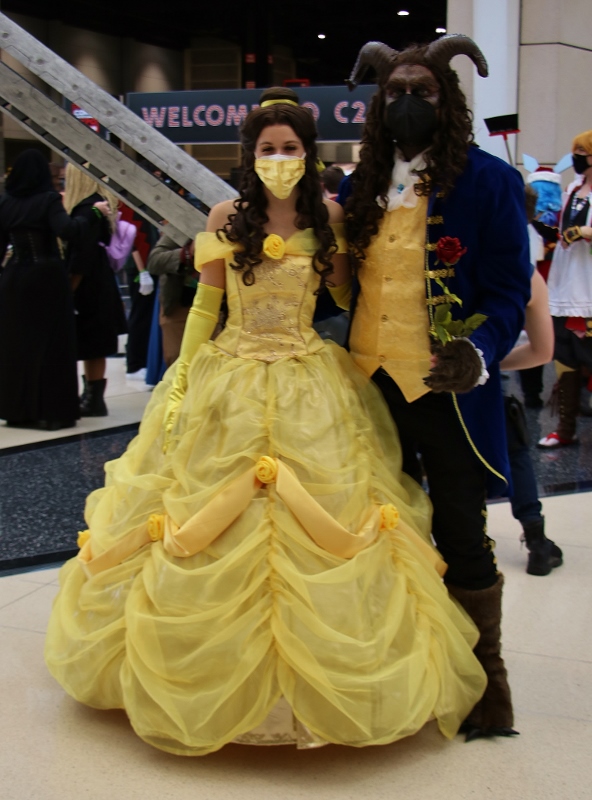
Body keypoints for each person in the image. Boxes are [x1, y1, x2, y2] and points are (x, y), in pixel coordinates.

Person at [45, 87, 487, 757]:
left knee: (329, 519)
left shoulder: (330, 214)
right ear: (252, 155)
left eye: (291, 148)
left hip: (311, 378)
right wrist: (183, 371)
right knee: (202, 514)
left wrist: (394, 285)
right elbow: (205, 307)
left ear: (308, 155)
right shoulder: (228, 214)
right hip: (232, 373)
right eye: (269, 148)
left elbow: (343, 297)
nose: (280, 158)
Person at [344, 35, 532, 739]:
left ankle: (484, 689)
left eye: (423, 91)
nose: (408, 103)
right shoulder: (355, 183)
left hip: (445, 390)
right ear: (378, 104)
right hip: (367, 389)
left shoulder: (488, 181)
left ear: (447, 101)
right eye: (396, 92)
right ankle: (392, 674)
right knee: (374, 534)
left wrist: (477, 349)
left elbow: (511, 289)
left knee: (461, 531)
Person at [0, 150, 109, 430]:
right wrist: (96, 214)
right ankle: (52, 412)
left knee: (18, 346)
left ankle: (18, 411)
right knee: (51, 345)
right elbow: (68, 230)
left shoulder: (6, 202)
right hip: (46, 278)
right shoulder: (48, 200)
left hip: (14, 278)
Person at [499, 266, 563, 575]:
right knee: (515, 449)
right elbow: (542, 351)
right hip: (481, 379)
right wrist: (489, 361)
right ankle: (536, 540)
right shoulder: (519, 269)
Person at [537, 130, 592, 448]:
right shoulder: (573, 188)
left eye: (582, 152)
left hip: (588, 288)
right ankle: (565, 428)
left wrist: (585, 231)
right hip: (565, 284)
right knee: (566, 358)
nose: (578, 158)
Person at [63, 165, 127, 416]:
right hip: (101, 279)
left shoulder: (85, 209)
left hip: (87, 285)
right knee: (96, 343)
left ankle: (91, 398)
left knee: (87, 340)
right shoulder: (101, 205)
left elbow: (81, 256)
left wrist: (69, 289)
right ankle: (93, 397)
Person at [145, 232, 199, 367]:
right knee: (178, 364)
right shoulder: (182, 225)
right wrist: (187, 253)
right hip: (180, 306)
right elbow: (154, 261)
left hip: (222, 311)